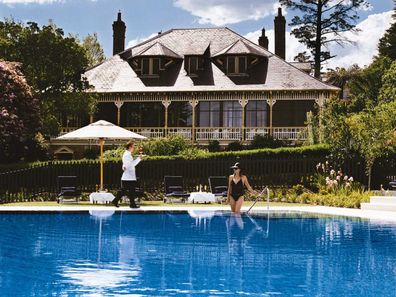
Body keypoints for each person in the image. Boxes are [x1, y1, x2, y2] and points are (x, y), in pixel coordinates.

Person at [112, 141, 144, 208]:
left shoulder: (128, 154)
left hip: (129, 177)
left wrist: (123, 166)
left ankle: (132, 204)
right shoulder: (127, 155)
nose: (134, 148)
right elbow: (131, 165)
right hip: (128, 177)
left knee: (131, 191)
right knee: (124, 191)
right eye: (133, 146)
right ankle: (116, 201)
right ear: (130, 147)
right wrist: (139, 159)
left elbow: (125, 164)